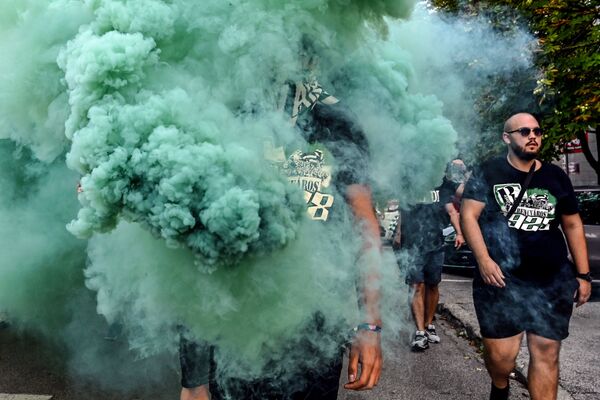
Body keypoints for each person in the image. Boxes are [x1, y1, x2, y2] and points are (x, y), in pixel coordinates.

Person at [180, 78, 383, 400]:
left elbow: (365, 229)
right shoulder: (226, 112)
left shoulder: (337, 121)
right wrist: (194, 377)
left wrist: (369, 326)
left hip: (318, 335)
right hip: (234, 331)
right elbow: (198, 246)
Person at [460, 112, 592, 400]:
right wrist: (484, 260)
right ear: (507, 138)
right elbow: (468, 215)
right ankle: (500, 387)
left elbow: (572, 223)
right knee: (501, 359)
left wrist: (583, 274)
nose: (533, 136)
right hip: (501, 280)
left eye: (537, 131)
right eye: (524, 131)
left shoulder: (555, 176)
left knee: (547, 352)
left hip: (551, 279)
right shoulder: (489, 171)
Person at [398, 159, 466, 351]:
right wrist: (398, 234)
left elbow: (453, 210)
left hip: (435, 243)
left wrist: (460, 233)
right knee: (416, 285)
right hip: (412, 245)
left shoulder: (441, 185)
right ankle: (419, 332)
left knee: (433, 285)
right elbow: (402, 211)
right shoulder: (408, 183)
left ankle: (428, 325)